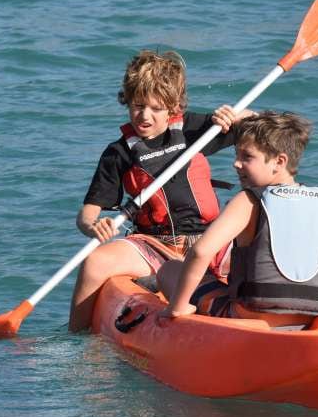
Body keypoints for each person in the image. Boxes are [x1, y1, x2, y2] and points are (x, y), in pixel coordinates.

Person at [69, 50, 255, 332]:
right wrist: (93, 226)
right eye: (137, 105)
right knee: (95, 262)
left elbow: (264, 130)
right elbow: (88, 214)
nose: (144, 116)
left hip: (211, 240)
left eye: (156, 108)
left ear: (173, 108)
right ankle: (79, 338)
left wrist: (239, 116)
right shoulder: (118, 153)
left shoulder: (195, 129)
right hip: (154, 245)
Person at [158, 111, 318, 325]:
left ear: (279, 161)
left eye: (247, 157)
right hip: (317, 313)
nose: (236, 163)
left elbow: (200, 252)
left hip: (251, 315)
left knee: (170, 270)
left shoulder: (249, 200)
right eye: (236, 154)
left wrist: (177, 307)